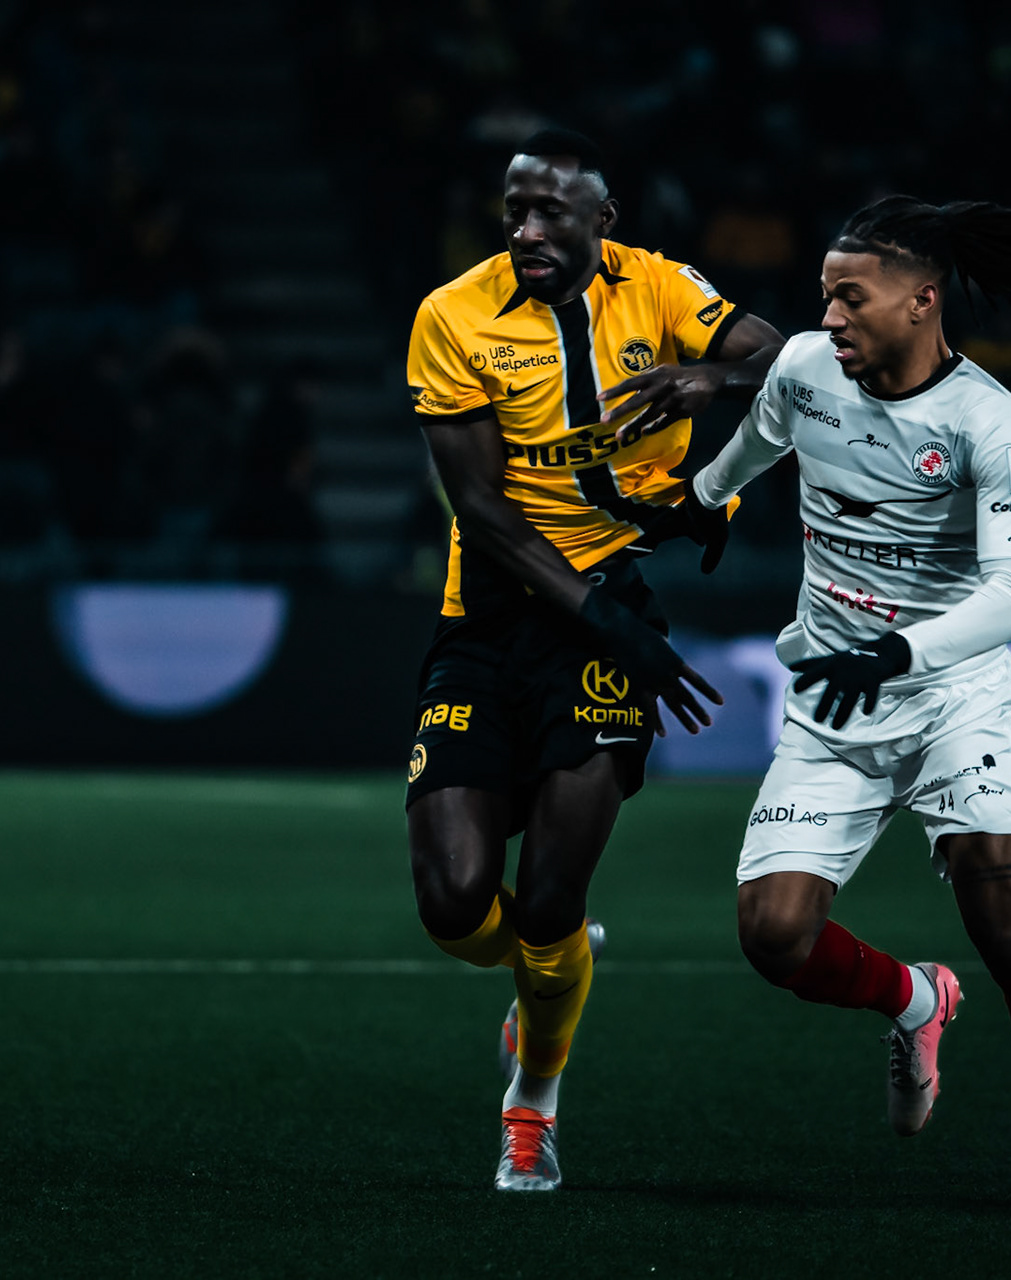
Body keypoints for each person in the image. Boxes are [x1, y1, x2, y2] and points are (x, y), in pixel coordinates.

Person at [684, 195, 1011, 1209]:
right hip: (835, 695)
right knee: (773, 932)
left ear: (922, 301)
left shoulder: (988, 423)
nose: (829, 317)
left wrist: (898, 648)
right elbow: (756, 444)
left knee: (1004, 905)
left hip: (948, 693)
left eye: (852, 297)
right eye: (824, 296)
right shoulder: (802, 369)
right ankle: (916, 996)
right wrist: (697, 503)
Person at [404, 129, 784, 1192]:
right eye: (514, 210)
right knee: (455, 904)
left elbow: (780, 358)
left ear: (600, 224)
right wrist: (606, 622)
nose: (524, 230)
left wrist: (706, 377)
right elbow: (480, 509)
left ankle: (534, 1098)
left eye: (548, 214)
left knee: (553, 892)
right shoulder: (453, 314)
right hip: (489, 615)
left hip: (608, 600)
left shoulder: (658, 287)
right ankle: (547, 967)